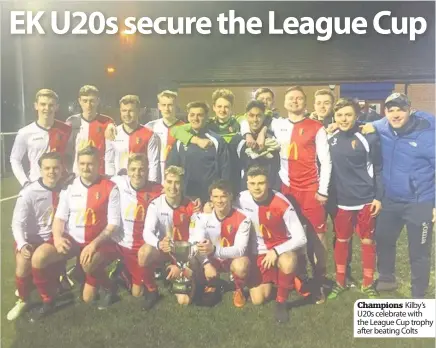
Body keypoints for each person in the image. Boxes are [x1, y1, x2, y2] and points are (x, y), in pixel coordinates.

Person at [255, 86, 331, 302]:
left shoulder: (316, 127)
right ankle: (298, 277)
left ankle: (319, 282)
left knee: (317, 237)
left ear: (305, 103)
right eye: (290, 98)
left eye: (299, 98)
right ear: (285, 102)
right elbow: (258, 122)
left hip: (311, 189)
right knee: (290, 235)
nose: (295, 101)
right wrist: (261, 132)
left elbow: (326, 161)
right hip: (287, 189)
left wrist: (323, 190)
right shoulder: (277, 124)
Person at [29, 146, 121, 320]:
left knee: (87, 296)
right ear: (77, 164)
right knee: (39, 256)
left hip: (100, 242)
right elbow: (60, 218)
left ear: (98, 164)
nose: (86, 168)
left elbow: (114, 224)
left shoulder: (110, 187)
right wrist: (57, 238)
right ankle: (48, 301)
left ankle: (109, 287)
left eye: (90, 164)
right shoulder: (69, 186)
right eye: (82, 164)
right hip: (73, 239)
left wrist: (94, 244)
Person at [363, 93, 435, 298]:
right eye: (391, 110)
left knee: (419, 250)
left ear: (409, 110)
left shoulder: (428, 132)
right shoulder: (382, 125)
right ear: (385, 112)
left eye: (400, 110)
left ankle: (418, 293)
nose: (395, 114)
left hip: (419, 202)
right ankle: (387, 279)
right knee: (383, 239)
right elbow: (366, 124)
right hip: (390, 200)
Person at [326, 98, 382, 300]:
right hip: (341, 200)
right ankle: (340, 282)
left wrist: (378, 197)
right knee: (342, 240)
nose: (343, 119)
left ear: (356, 116)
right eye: (339, 115)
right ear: (334, 117)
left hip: (366, 199)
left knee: (367, 241)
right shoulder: (329, 137)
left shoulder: (368, 137)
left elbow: (378, 169)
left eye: (348, 115)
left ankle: (367, 284)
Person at [236, 166, 307, 323]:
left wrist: (276, 251)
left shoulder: (282, 202)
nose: (257, 187)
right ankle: (287, 279)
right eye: (253, 183)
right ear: (247, 184)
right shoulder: (241, 199)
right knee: (258, 299)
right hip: (259, 254)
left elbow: (301, 238)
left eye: (261, 183)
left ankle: (281, 302)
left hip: (280, 251)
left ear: (268, 183)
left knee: (288, 261)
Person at [7, 152, 64, 321]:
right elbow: (17, 223)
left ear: (62, 169)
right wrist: (23, 244)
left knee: (40, 261)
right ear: (40, 170)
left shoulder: (67, 188)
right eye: (47, 168)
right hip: (30, 239)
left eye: (55, 168)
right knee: (22, 266)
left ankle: (48, 299)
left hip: (53, 238)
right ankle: (24, 300)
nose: (51, 171)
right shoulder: (28, 192)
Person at [139, 166, 198, 308]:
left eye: (177, 182)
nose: (173, 186)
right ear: (164, 183)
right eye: (169, 181)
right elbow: (147, 232)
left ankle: (181, 276)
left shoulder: (192, 206)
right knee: (144, 252)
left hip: (184, 254)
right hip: (163, 250)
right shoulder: (155, 204)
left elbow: (197, 236)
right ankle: (152, 290)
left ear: (183, 184)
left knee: (184, 301)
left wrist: (182, 262)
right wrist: (159, 244)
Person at [110, 154, 163, 302]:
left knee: (137, 293)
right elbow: (97, 181)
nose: (137, 173)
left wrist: (197, 203)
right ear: (127, 170)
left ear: (147, 170)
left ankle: (125, 271)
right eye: (133, 169)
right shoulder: (118, 183)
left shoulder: (158, 189)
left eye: (141, 170)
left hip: (145, 245)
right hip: (124, 243)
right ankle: (124, 270)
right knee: (137, 293)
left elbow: (177, 197)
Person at [192, 180, 252, 308]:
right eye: (216, 197)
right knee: (192, 257)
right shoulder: (202, 217)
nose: (219, 201)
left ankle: (238, 288)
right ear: (210, 198)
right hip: (211, 258)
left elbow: (240, 250)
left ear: (230, 196)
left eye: (223, 196)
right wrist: (207, 264)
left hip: (231, 259)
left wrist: (214, 250)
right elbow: (197, 243)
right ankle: (210, 283)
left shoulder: (243, 218)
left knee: (241, 265)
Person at [166, 101, 231, 203]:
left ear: (206, 117)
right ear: (188, 117)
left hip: (209, 200)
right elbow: (170, 169)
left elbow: (225, 172)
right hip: (185, 200)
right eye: (192, 115)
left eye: (199, 115)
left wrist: (215, 199)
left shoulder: (217, 141)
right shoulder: (180, 141)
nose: (195, 119)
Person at [10, 89, 72, 187]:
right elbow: (15, 159)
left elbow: (72, 154)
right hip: (37, 184)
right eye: (43, 104)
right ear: (36, 106)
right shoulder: (25, 132)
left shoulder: (66, 129)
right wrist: (25, 182)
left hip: (62, 185)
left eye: (51, 105)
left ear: (56, 107)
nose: (47, 108)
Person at [104, 95, 159, 181]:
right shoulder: (113, 133)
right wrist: (111, 181)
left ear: (139, 111)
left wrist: (152, 184)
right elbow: (109, 161)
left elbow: (153, 164)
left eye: (131, 111)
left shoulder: (150, 135)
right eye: (124, 110)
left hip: (141, 183)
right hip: (119, 183)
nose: (127, 114)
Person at [230, 100, 280, 191]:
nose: (255, 120)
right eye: (251, 115)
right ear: (246, 116)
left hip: (269, 190)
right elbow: (233, 170)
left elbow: (275, 168)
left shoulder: (273, 139)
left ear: (264, 117)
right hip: (245, 190)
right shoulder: (237, 140)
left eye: (259, 116)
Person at [66, 85, 114, 175]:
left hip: (100, 173)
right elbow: (67, 150)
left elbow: (110, 151)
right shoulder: (71, 121)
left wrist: (110, 173)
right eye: (85, 101)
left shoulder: (107, 122)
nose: (88, 105)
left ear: (98, 101)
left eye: (92, 101)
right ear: (79, 101)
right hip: (77, 174)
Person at [171, 89, 240, 147]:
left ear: (231, 108)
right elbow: (175, 130)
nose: (222, 110)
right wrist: (197, 141)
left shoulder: (238, 122)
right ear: (214, 107)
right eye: (219, 106)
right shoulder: (207, 122)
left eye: (226, 107)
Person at [145, 91, 185, 184]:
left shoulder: (184, 128)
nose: (167, 108)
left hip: (175, 176)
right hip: (155, 173)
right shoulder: (150, 126)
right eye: (164, 105)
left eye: (170, 105)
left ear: (176, 106)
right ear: (159, 106)